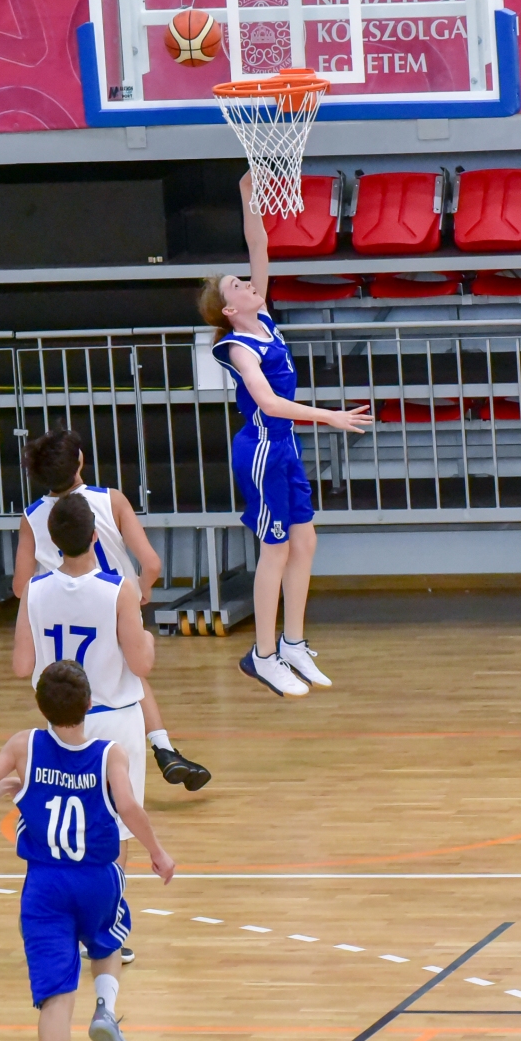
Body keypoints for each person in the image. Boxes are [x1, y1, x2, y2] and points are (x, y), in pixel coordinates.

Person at [0, 660, 174, 1041]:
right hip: (96, 877)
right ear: (89, 705)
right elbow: (129, 808)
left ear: (42, 708)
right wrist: (158, 852)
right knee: (109, 941)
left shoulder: (25, 746)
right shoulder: (110, 753)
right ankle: (106, 1009)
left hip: (43, 889)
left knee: (55, 997)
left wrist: (5, 790)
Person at [198, 172, 372, 697]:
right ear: (229, 310)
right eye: (237, 286)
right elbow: (270, 404)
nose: (247, 283)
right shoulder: (237, 347)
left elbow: (259, 245)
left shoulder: (264, 321)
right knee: (274, 550)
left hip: (285, 447)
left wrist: (246, 195)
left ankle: (293, 643)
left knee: (305, 540)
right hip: (260, 450)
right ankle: (262, 654)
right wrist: (330, 416)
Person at [14, 427, 210, 791]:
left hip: (64, 606)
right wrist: (142, 591)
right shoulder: (110, 500)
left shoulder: (33, 516)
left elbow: (19, 586)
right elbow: (151, 563)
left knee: (77, 686)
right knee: (128, 675)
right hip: (115, 599)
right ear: (80, 461)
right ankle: (162, 747)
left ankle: (86, 767)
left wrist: (47, 591)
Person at [14, 492, 154, 964]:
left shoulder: (34, 590)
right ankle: (103, 931)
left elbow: (22, 665)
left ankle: (65, 928)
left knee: (64, 827)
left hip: (60, 720)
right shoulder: (119, 589)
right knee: (113, 832)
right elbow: (141, 663)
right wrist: (147, 638)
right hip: (113, 718)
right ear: (95, 536)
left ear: (52, 541)